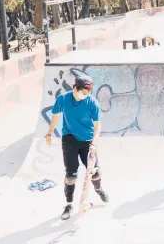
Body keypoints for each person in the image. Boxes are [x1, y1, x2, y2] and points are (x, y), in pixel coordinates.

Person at [45, 75, 109, 220]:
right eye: (82, 93)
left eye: (87, 94)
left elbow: (98, 126)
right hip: (69, 139)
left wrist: (94, 143)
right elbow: (55, 116)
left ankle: (98, 189)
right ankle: (68, 204)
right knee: (70, 175)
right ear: (75, 88)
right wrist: (49, 133)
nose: (84, 96)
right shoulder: (63, 99)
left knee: (95, 173)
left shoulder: (92, 102)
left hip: (88, 141)